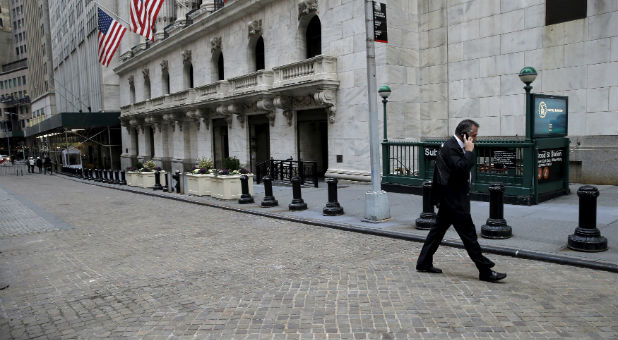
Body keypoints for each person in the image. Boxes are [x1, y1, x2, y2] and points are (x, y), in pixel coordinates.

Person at [416, 119, 507, 283]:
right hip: (454, 201)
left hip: (450, 200)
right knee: (469, 236)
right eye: (474, 135)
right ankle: (485, 270)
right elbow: (461, 168)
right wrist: (470, 151)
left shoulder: (455, 146)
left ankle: (423, 262)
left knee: (436, 233)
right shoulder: (451, 147)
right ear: (465, 135)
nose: (476, 139)